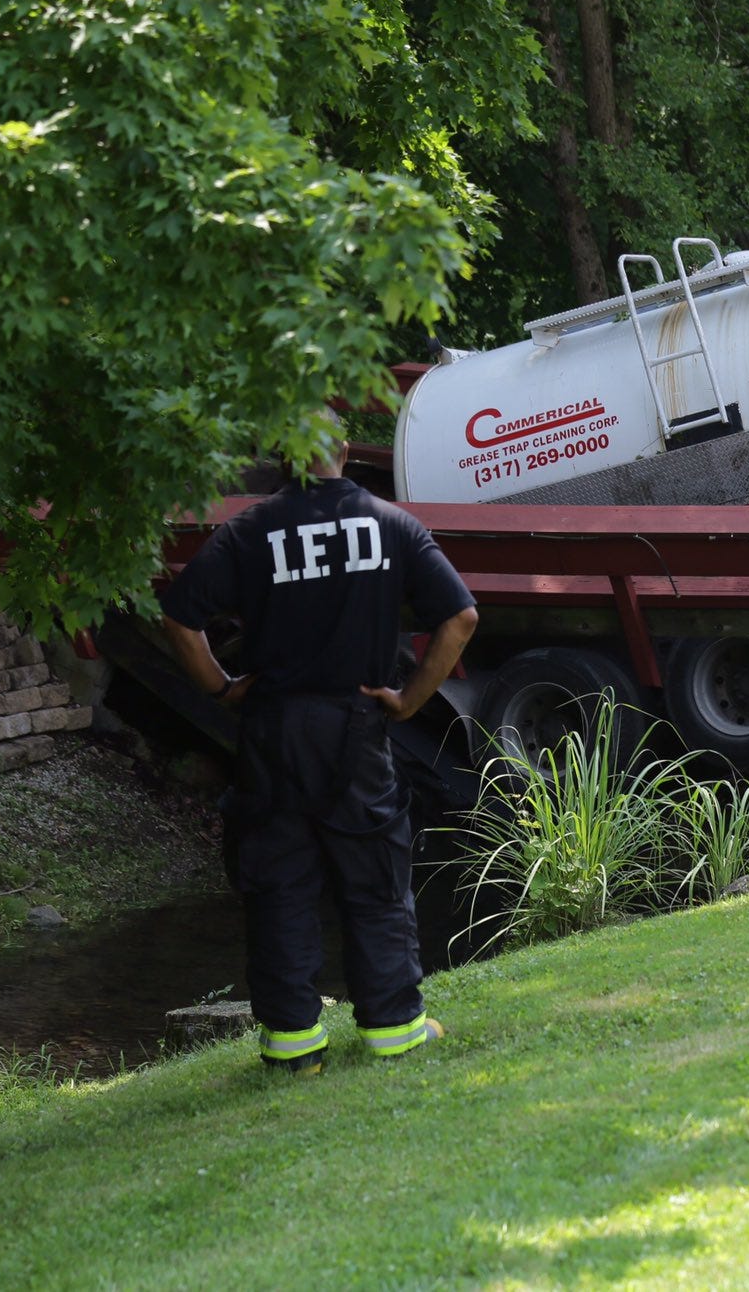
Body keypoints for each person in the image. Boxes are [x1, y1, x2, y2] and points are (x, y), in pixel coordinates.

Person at [161, 429, 478, 1076]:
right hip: (356, 726)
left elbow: (179, 616)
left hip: (274, 733)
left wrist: (221, 689)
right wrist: (411, 699)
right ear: (346, 454)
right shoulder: (392, 525)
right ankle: (394, 1029)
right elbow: (461, 617)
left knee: (280, 881)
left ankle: (294, 1044)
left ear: (282, 457)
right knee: (375, 877)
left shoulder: (252, 530)